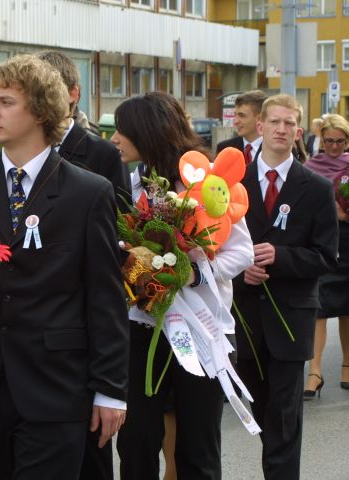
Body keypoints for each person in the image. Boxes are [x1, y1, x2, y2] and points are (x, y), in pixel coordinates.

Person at [0, 54, 128, 480]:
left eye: (6, 102)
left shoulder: (88, 192)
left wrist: (111, 390)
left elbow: (105, 296)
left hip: (56, 389)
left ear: (42, 111)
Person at [111, 91, 254, 480]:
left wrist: (193, 274)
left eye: (123, 130)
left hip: (201, 329)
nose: (115, 138)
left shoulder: (206, 183)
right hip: (142, 328)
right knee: (136, 440)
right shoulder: (130, 186)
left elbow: (243, 252)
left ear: (148, 131)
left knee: (198, 445)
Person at [233, 94, 338, 480]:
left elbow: (326, 257)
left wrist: (281, 257)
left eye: (289, 123)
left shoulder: (317, 188)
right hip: (245, 319)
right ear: (260, 127)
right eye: (274, 122)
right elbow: (212, 251)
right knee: (263, 414)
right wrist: (241, 270)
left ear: (298, 131)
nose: (281, 129)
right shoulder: (233, 183)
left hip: (291, 321)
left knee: (284, 418)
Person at [36, 50, 131, 213]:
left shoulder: (106, 155)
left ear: (73, 94)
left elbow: (121, 218)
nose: (36, 102)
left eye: (46, 93)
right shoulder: (16, 151)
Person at [302, 113, 349, 398]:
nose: (334, 146)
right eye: (329, 141)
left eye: (340, 141)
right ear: (321, 140)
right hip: (324, 241)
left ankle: (347, 365)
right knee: (319, 305)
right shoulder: (311, 166)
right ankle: (314, 371)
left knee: (347, 307)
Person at [216, 90, 268, 164]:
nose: (235, 122)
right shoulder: (225, 149)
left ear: (260, 118)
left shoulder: (276, 150)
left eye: (242, 116)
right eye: (235, 115)